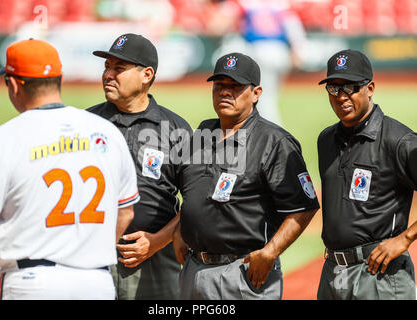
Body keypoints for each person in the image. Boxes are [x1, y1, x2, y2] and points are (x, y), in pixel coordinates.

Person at [0, 39, 139, 300]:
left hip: (30, 283)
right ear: (60, 78)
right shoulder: (106, 131)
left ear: (13, 84)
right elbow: (125, 212)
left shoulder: (1, 139)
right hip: (97, 282)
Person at [173, 52, 320, 299]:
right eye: (219, 86)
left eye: (236, 87)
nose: (225, 92)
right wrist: (179, 229)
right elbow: (193, 193)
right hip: (194, 269)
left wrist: (270, 252)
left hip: (242, 272)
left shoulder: (273, 142)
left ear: (256, 93)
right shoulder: (202, 134)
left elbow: (303, 206)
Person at [87, 33, 192, 300]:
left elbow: (196, 201)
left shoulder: (176, 129)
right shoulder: (85, 124)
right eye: (106, 67)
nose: (108, 74)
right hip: (91, 258)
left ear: (146, 75)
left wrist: (157, 241)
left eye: (118, 68)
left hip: (156, 260)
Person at [316, 49, 417, 300]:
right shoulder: (326, 139)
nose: (341, 96)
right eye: (334, 88)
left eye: (350, 87)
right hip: (332, 272)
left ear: (370, 88)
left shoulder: (398, 140)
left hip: (379, 274)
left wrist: (405, 238)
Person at [211, 0, 308, 125]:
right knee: (269, 97)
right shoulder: (281, 5)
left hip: (259, 51)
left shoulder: (243, 3)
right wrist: (298, 51)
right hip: (280, 52)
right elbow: (294, 29)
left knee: (263, 100)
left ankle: (273, 135)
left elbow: (218, 25)